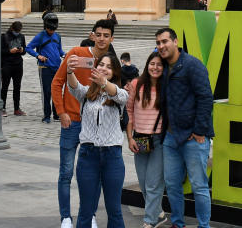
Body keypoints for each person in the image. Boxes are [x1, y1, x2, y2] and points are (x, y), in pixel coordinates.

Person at [52, 19, 116, 228]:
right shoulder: (76, 53)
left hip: (95, 127)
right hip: (72, 122)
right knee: (66, 172)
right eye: (98, 34)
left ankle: (89, 216)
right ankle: (66, 217)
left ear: (111, 38)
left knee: (92, 175)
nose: (101, 38)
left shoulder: (109, 62)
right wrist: (61, 112)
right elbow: (57, 82)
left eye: (106, 35)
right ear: (92, 35)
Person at [155, 26, 214, 228]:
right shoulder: (162, 67)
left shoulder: (192, 65)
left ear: (175, 41)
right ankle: (177, 223)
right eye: (158, 43)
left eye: (165, 41)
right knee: (171, 185)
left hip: (193, 137)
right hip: (171, 137)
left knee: (199, 186)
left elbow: (206, 98)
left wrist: (199, 131)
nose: (161, 46)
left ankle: (204, 225)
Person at [66, 51, 128, 228]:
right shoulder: (86, 94)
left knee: (114, 210)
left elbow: (120, 95)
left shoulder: (118, 94)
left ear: (115, 72)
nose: (104, 68)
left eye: (109, 67)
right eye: (101, 64)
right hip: (88, 156)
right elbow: (74, 87)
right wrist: (69, 71)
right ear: (95, 67)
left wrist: (104, 83)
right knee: (86, 210)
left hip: (112, 156)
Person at [125, 51, 166, 228]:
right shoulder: (136, 84)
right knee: (143, 182)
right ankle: (158, 212)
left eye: (159, 65)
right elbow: (129, 112)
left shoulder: (168, 86)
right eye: (152, 64)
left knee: (153, 183)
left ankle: (149, 221)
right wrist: (129, 138)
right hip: (140, 138)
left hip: (160, 140)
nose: (155, 67)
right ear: (147, 64)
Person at [26, 13, 65, 123]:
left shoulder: (58, 36)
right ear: (45, 26)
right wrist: (38, 56)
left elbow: (60, 50)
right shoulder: (40, 36)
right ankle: (47, 116)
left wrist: (64, 55)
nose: (51, 31)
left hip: (57, 67)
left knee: (56, 91)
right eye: (49, 29)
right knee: (46, 92)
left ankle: (56, 115)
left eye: (53, 30)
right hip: (45, 68)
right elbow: (28, 48)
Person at [0, 20, 26, 116]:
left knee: (17, 87)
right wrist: (10, 51)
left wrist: (22, 50)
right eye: (16, 31)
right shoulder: (4, 36)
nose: (17, 33)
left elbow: (24, 51)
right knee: (5, 87)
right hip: (7, 64)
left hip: (18, 64)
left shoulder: (21, 36)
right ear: (12, 28)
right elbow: (0, 50)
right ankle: (2, 107)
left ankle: (17, 108)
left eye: (19, 31)